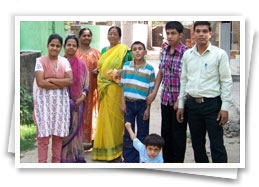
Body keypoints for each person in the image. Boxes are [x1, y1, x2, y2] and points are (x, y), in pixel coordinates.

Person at [177, 21, 232, 163]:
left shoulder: (219, 54)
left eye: (204, 31)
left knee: (217, 144)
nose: (201, 34)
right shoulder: (187, 55)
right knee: (197, 144)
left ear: (210, 34)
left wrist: (225, 107)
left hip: (212, 105)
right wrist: (181, 104)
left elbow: (226, 81)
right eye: (198, 31)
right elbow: (184, 80)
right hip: (192, 105)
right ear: (193, 33)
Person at [146, 21, 188, 163]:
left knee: (178, 136)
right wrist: (154, 92)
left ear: (180, 35)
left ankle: (178, 165)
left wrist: (180, 100)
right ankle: (168, 163)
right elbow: (161, 73)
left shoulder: (186, 53)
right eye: (168, 33)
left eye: (173, 33)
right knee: (166, 134)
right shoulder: (164, 51)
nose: (170, 36)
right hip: (165, 99)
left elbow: (188, 79)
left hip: (179, 102)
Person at [92, 26, 133, 161]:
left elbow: (131, 67)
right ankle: (104, 149)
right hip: (103, 88)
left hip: (117, 89)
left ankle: (117, 150)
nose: (112, 36)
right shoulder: (104, 50)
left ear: (120, 37)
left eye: (115, 34)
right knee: (104, 118)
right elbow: (102, 67)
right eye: (110, 34)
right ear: (107, 36)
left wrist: (117, 72)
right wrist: (97, 72)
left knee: (116, 120)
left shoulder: (125, 51)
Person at [33, 33, 73, 163]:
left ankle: (56, 164)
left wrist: (49, 79)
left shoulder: (64, 61)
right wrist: (60, 81)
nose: (55, 48)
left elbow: (70, 81)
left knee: (58, 136)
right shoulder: (40, 61)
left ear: (61, 48)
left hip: (60, 104)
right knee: (43, 137)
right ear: (47, 45)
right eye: (52, 45)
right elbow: (40, 83)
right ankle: (42, 164)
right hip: (44, 103)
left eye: (57, 46)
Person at [120, 41, 155, 163]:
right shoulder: (126, 66)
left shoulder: (150, 69)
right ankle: (129, 159)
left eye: (140, 49)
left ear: (145, 52)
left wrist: (148, 109)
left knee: (142, 132)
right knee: (128, 132)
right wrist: (123, 103)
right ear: (131, 52)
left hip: (142, 105)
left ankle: (142, 158)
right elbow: (122, 86)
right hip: (128, 104)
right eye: (134, 49)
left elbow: (151, 90)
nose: (137, 51)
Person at [61, 35, 89, 163]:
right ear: (64, 46)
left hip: (78, 104)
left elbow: (86, 84)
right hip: (61, 104)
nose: (71, 47)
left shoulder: (82, 64)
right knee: (63, 130)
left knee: (76, 132)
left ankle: (76, 156)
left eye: (74, 45)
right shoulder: (59, 62)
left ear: (77, 48)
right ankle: (62, 157)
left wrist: (82, 98)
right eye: (68, 45)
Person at [75, 28, 101, 145]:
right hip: (77, 90)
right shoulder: (74, 52)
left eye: (89, 36)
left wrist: (98, 72)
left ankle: (93, 139)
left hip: (93, 90)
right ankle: (77, 140)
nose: (86, 38)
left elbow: (103, 68)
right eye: (84, 35)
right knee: (78, 113)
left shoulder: (96, 53)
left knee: (93, 113)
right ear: (79, 37)